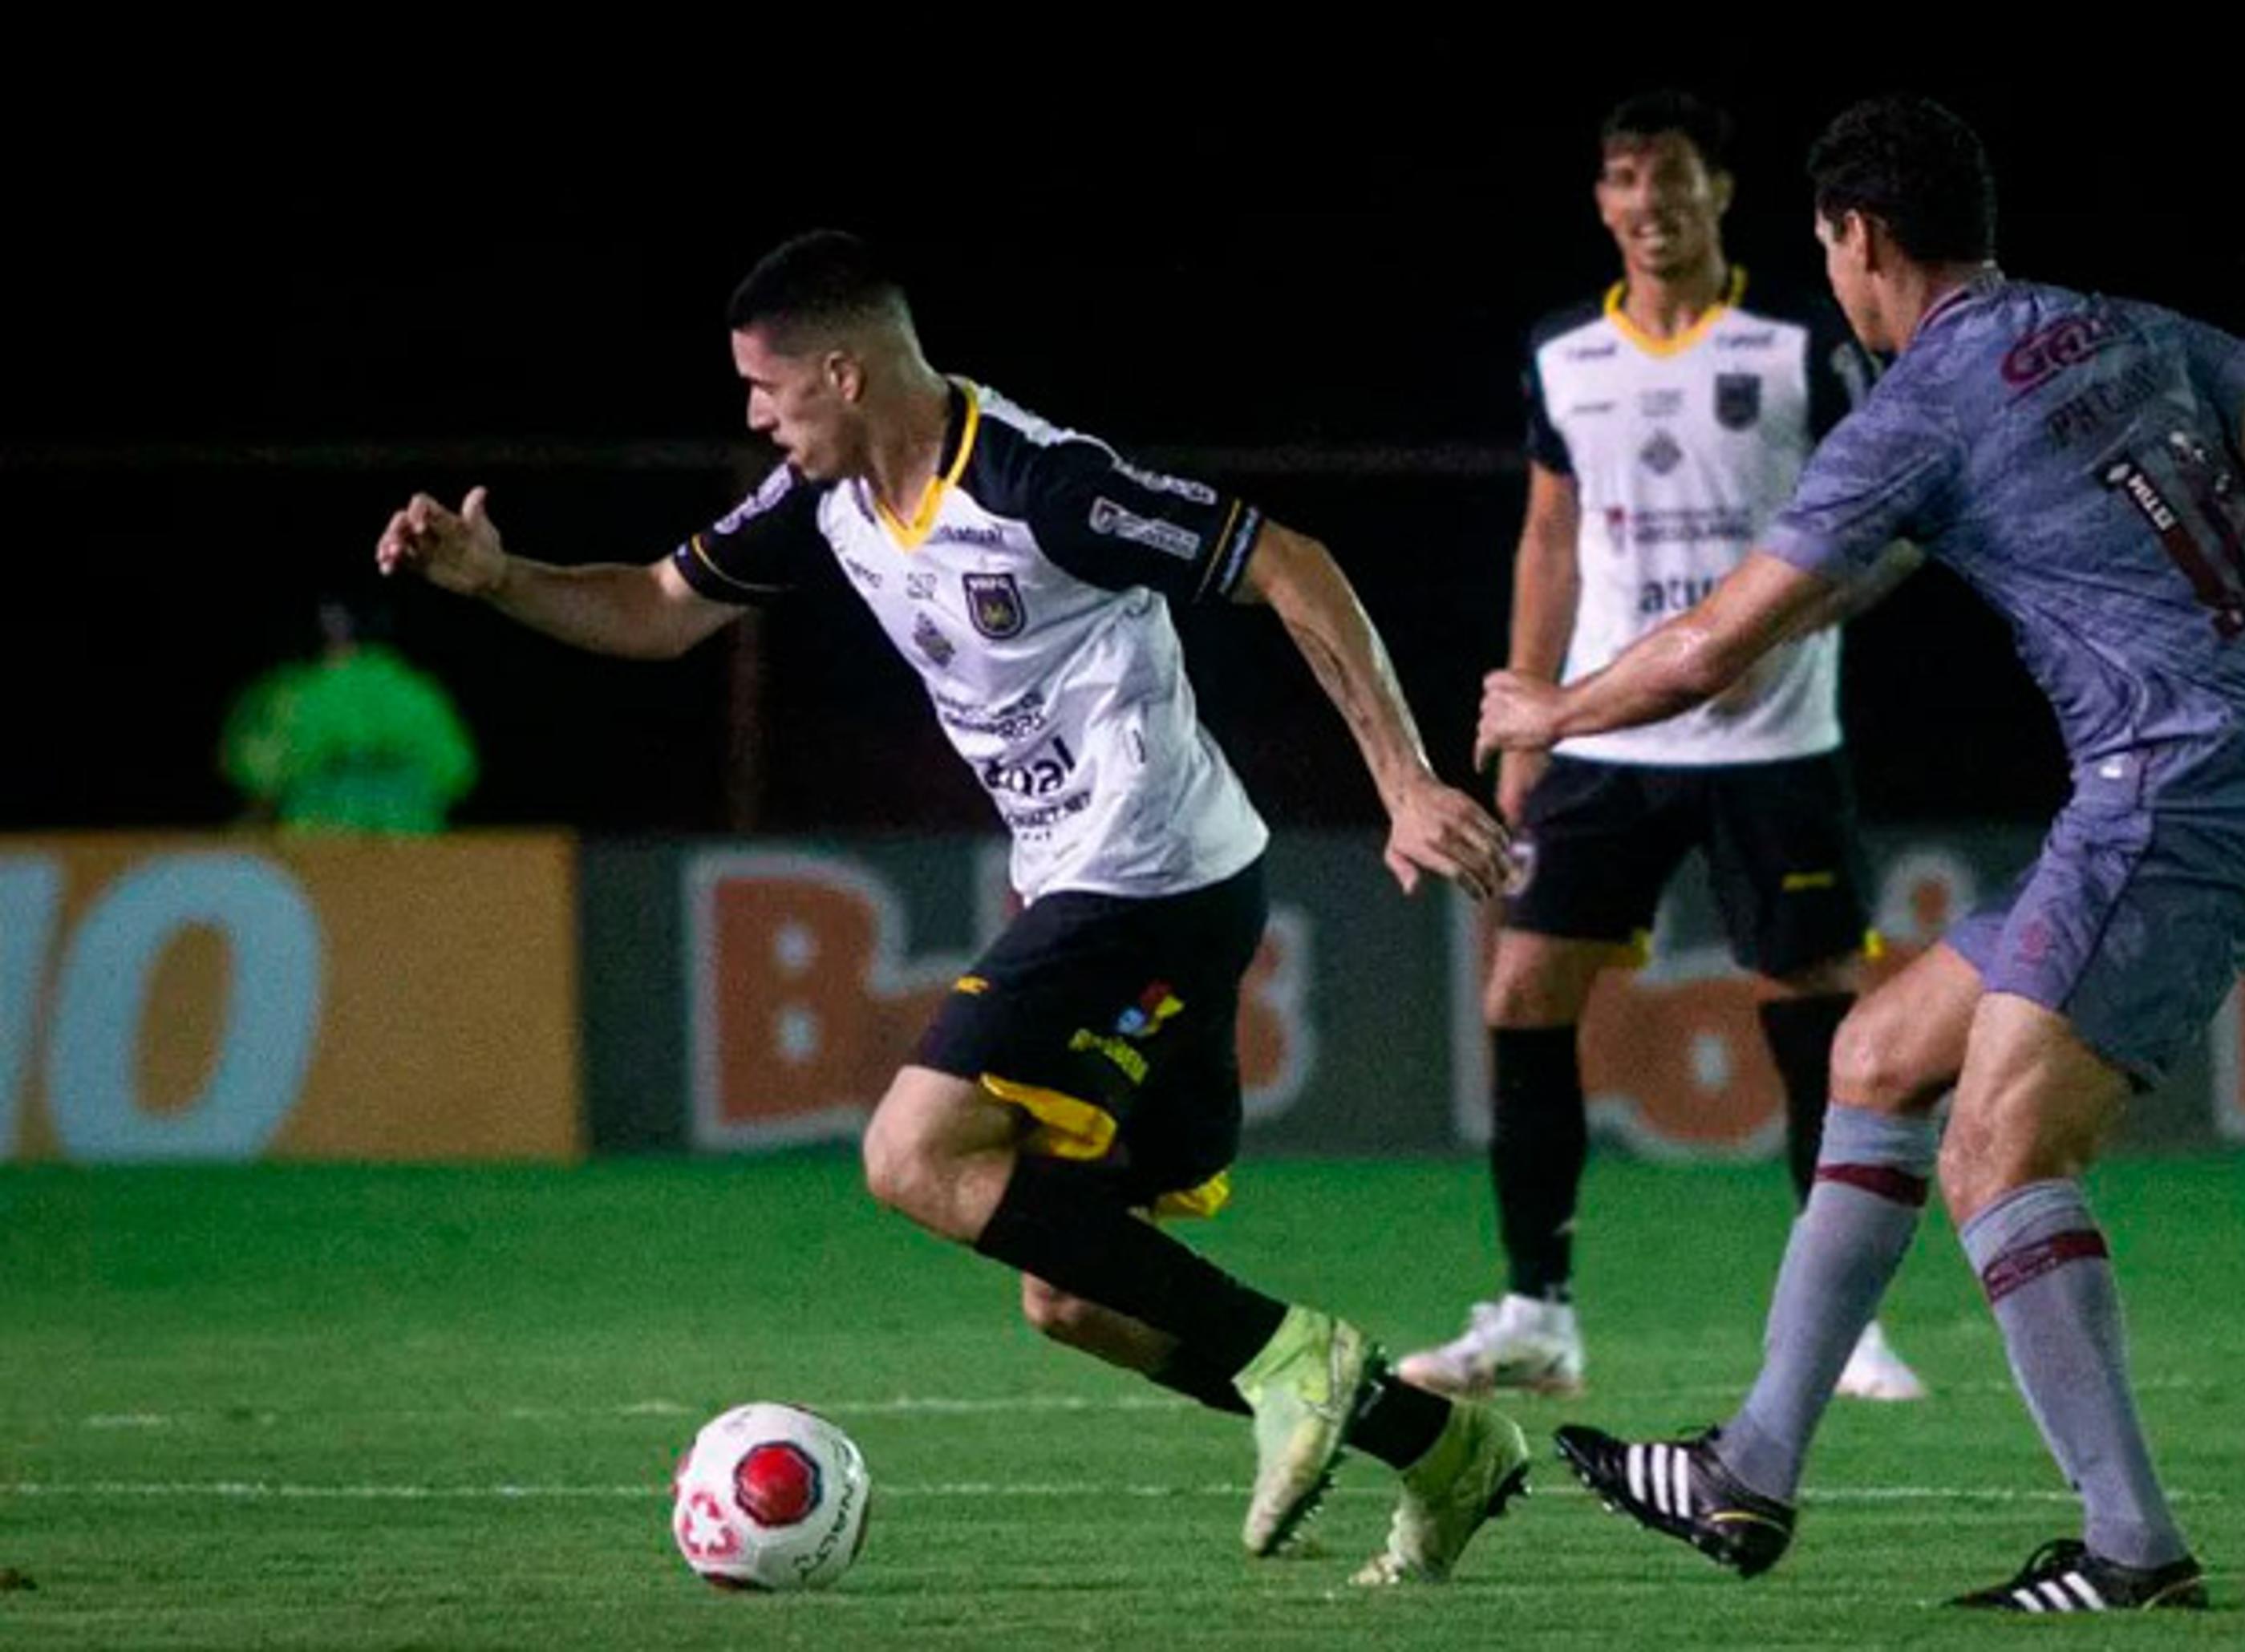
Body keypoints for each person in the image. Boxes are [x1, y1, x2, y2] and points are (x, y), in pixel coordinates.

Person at [1482, 97, 2245, 1612]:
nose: (1840, 284)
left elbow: (1698, 654)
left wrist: (1551, 703)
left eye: (1835, 253)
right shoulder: (2116, 328)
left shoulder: (1917, 407)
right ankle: (1752, 1464)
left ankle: (2131, 1544)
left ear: (1860, 239)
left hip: (2174, 793)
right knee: (1876, 1050)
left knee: (2001, 1149)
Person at [376, 231, 1530, 1586]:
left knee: (911, 1151)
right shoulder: (823, 499)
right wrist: (498, 579)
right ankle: (1445, 1448)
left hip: (1150, 871)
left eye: (766, 387)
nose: (752, 416)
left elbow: (1289, 559)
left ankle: (1299, 1359)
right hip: (1127, 884)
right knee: (1075, 1294)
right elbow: (655, 609)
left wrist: (1402, 779)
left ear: (844, 370)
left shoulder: (1043, 485)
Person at [1400, 90, 1923, 1405]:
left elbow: (1903, 513)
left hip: (1776, 737)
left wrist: (1805, 610)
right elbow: (1550, 536)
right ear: (1602, 199)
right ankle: (1535, 1311)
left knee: (1815, 1017)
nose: (1650, 203)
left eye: (1673, 177)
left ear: (1719, 193)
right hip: (1608, 731)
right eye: (1625, 178)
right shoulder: (1565, 351)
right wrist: (1523, 725)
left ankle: (1842, 1323)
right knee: (1522, 991)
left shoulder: (1801, 338)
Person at [220, 597, 476, 832]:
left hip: (316, 852)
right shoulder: (419, 693)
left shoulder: (289, 694)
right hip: (412, 849)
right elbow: (456, 773)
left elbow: (256, 776)